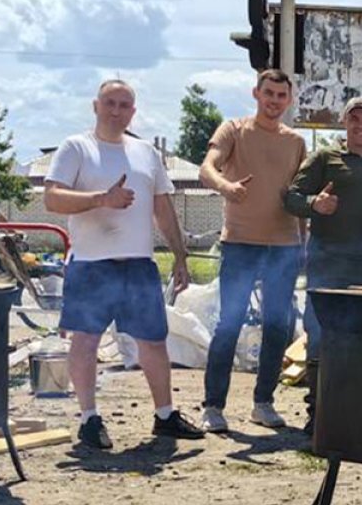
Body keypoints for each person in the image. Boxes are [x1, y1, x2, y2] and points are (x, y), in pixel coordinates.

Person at [44, 79, 203, 450]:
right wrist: (102, 198)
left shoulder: (146, 153)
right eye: (110, 103)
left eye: (124, 105)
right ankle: (89, 419)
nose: (116, 111)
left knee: (153, 340)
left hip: (138, 264)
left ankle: (165, 416)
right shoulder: (76, 148)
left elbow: (162, 206)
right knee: (86, 341)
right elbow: (52, 199)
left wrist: (179, 254)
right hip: (91, 264)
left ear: (133, 111)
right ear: (95, 106)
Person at [284, 96, 362, 434]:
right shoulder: (323, 158)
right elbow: (291, 198)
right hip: (328, 262)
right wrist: (314, 204)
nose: (361, 125)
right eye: (355, 119)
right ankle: (319, 412)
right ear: (344, 123)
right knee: (320, 337)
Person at [198, 68, 306, 433]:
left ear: (288, 100)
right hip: (241, 243)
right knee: (228, 323)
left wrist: (304, 241)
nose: (274, 101)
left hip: (284, 246)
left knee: (279, 325)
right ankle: (213, 406)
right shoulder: (234, 130)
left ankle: (264, 402)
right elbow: (206, 168)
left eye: (281, 95)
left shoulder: (296, 142)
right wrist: (225, 186)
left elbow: (299, 196)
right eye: (269, 93)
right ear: (256, 94)